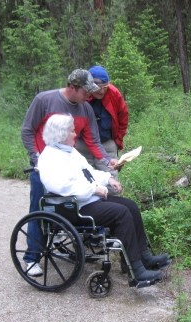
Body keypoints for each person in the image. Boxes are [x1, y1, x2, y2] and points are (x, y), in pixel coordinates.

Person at [38, 114, 171, 283]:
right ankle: (137, 271)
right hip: (73, 207)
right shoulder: (51, 157)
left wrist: (108, 179)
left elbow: (89, 172)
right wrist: (93, 189)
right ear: (60, 134)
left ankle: (144, 257)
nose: (75, 134)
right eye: (72, 131)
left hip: (87, 201)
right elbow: (61, 187)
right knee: (121, 213)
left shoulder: (69, 152)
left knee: (131, 206)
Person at [21, 69, 118, 276]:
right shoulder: (44, 100)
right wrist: (38, 159)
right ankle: (32, 258)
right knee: (39, 208)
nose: (88, 96)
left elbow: (92, 139)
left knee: (76, 200)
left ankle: (70, 236)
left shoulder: (85, 108)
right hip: (44, 164)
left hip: (66, 162)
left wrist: (107, 160)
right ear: (72, 87)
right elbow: (27, 130)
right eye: (85, 92)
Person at [75, 66, 128, 196]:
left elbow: (123, 117)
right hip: (82, 144)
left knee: (112, 183)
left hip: (106, 143)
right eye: (99, 88)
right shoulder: (82, 95)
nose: (102, 91)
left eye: (105, 87)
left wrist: (117, 141)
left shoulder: (114, 93)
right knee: (81, 179)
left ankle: (113, 210)